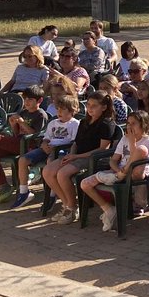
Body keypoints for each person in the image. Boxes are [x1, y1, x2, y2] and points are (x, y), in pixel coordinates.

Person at [41, 91, 115, 222]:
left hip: (93, 158)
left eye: (94, 106)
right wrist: (71, 154)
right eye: (88, 105)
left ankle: (72, 208)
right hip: (77, 156)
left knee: (62, 174)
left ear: (103, 107)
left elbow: (102, 149)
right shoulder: (84, 122)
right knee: (47, 171)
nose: (90, 108)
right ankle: (67, 205)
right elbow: (76, 142)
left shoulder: (107, 124)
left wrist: (76, 156)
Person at [79, 109, 149, 232]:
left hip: (137, 173)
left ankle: (118, 176)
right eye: (128, 123)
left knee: (141, 149)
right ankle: (109, 209)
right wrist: (118, 170)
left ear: (144, 125)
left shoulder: (148, 141)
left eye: (134, 124)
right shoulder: (124, 139)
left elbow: (138, 159)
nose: (130, 126)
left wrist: (132, 143)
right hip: (119, 173)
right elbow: (113, 160)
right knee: (85, 184)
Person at [9, 95, 80, 209]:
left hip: (61, 150)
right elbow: (46, 138)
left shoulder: (75, 124)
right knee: (23, 160)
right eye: (58, 109)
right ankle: (24, 192)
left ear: (73, 110)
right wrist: (44, 144)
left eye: (63, 109)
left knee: (50, 161)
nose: (59, 112)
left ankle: (52, 194)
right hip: (47, 148)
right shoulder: (53, 123)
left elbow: (74, 142)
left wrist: (55, 148)